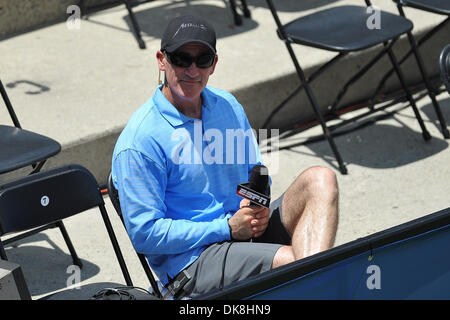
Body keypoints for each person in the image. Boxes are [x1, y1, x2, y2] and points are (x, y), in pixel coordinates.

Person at [112, 14, 339, 298]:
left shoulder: (227, 106)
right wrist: (227, 228)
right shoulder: (140, 140)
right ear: (162, 60)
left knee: (320, 179)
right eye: (181, 58)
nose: (192, 70)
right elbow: (145, 234)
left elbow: (256, 172)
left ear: (214, 64)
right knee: (294, 264)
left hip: (242, 231)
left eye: (202, 59)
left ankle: (313, 286)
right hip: (193, 262)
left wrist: (256, 202)